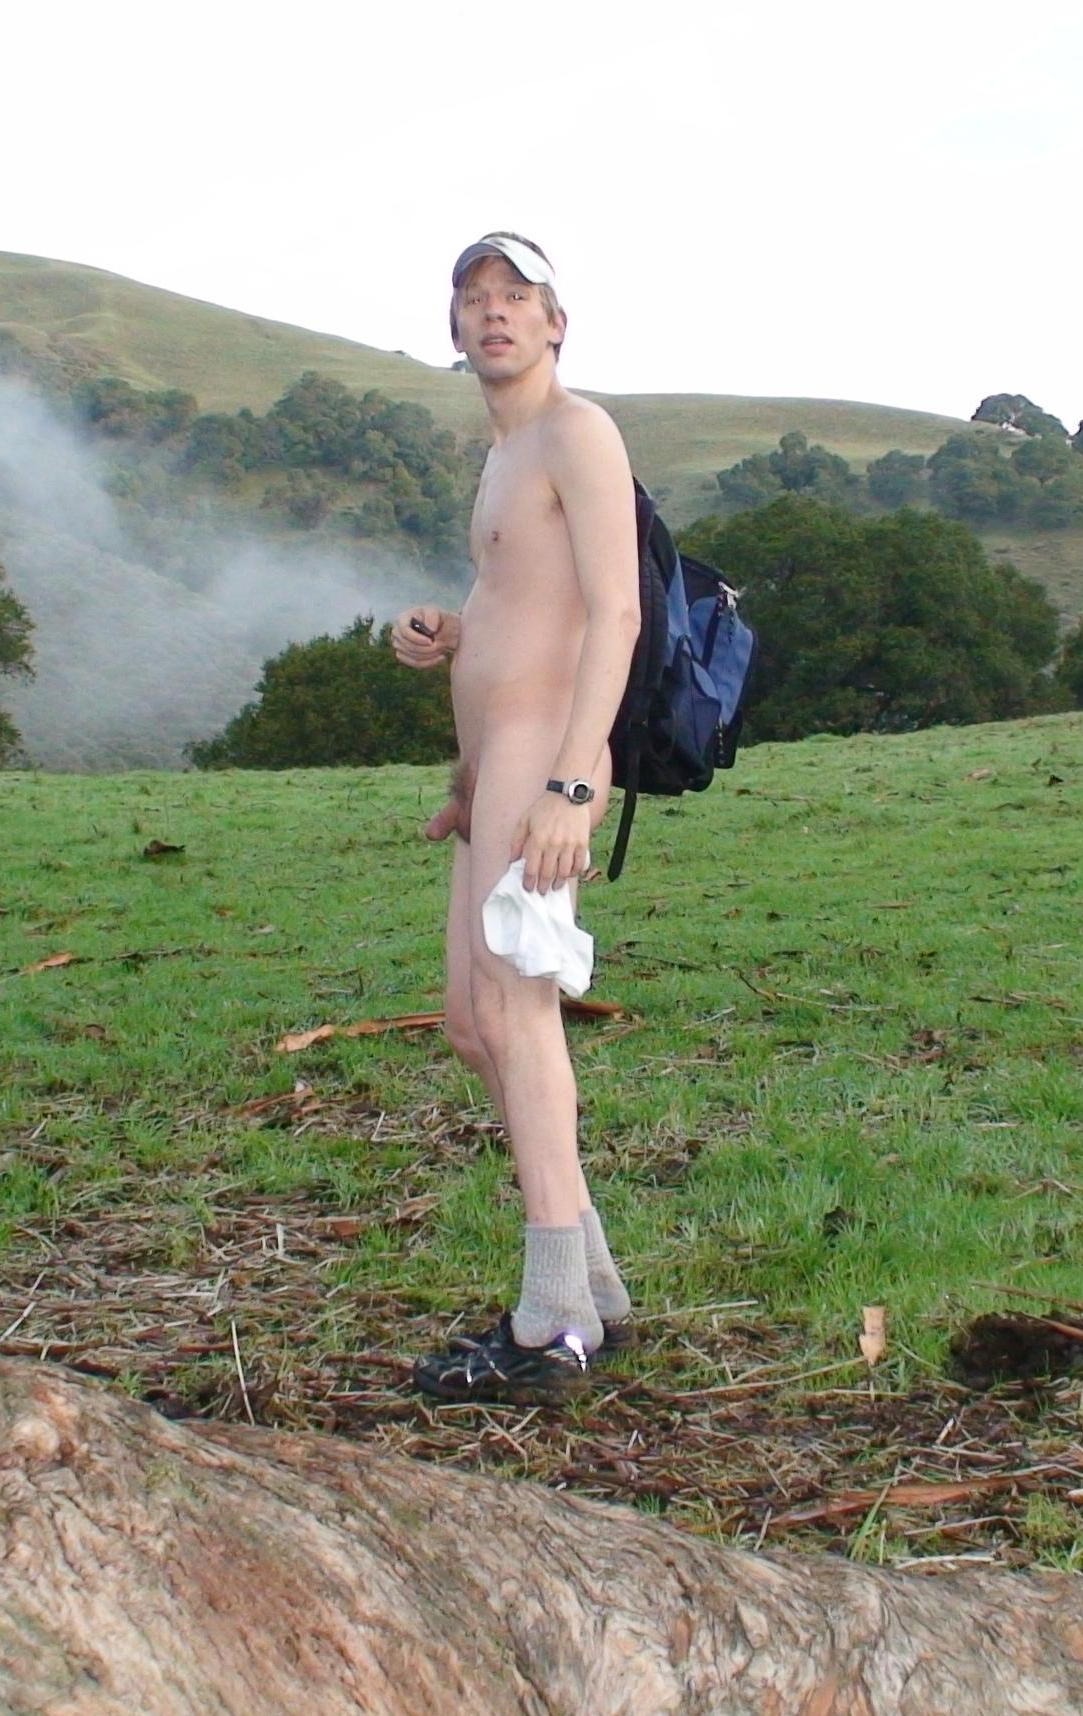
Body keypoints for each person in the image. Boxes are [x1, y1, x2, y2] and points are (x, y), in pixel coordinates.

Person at [390, 232, 641, 1401]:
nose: (493, 313)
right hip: (497, 764)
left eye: (516, 296)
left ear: (555, 323)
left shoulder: (578, 433)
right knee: (470, 1021)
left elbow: (615, 615)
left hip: (549, 758)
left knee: (517, 1008)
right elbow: (520, 605)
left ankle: (554, 1324)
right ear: (455, 331)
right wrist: (450, 641)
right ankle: (593, 1285)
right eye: (474, 299)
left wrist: (573, 786)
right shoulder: (502, 457)